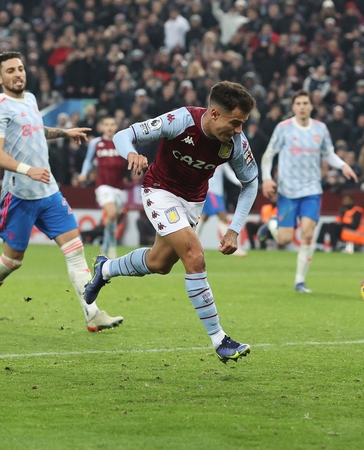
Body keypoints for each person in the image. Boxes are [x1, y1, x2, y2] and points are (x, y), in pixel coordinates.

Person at [85, 81, 258, 364]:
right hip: (160, 191)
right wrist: (130, 152)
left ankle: (105, 269)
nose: (239, 130)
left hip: (192, 201)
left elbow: (250, 184)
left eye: (243, 124)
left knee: (158, 264)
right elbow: (123, 135)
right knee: (195, 256)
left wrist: (234, 229)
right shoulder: (181, 120)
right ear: (215, 114)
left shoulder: (236, 144)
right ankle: (220, 340)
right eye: (235, 122)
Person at [0, 51, 123, 332]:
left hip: (49, 193)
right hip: (19, 196)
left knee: (75, 249)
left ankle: (93, 313)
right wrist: (28, 169)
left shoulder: (30, 99)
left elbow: (36, 130)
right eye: (11, 70)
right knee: (11, 261)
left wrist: (64, 132)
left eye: (21, 68)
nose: (18, 74)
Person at [260, 90, 358, 293]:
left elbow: (328, 154)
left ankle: (299, 281)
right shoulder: (284, 128)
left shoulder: (320, 129)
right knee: (283, 240)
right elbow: (269, 155)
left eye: (306, 103)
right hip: (287, 190)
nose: (302, 106)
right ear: (293, 107)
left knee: (307, 234)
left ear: (311, 106)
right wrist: (267, 178)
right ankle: (272, 225)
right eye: (299, 103)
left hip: (312, 189)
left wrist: (343, 166)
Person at [78, 116, 128, 258]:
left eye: (112, 124)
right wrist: (83, 173)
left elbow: (131, 157)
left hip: (119, 188)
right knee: (111, 214)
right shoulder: (96, 143)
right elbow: (88, 159)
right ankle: (110, 246)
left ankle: (106, 245)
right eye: (106, 124)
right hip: (103, 186)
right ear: (102, 127)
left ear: (116, 127)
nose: (110, 127)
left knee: (113, 219)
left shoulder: (123, 143)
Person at [195, 163, 247, 257]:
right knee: (223, 217)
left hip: (215, 192)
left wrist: (237, 181)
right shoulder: (206, 155)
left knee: (203, 218)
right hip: (211, 191)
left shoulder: (223, 158)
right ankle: (232, 247)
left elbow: (228, 172)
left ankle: (194, 248)